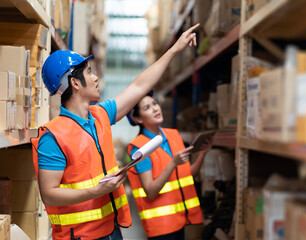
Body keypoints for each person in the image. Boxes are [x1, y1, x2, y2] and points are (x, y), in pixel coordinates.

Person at [31, 24, 200, 240]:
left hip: (111, 230)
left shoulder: (100, 115)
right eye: (89, 72)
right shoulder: (52, 137)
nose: (95, 78)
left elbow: (139, 87)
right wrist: (95, 191)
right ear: (75, 83)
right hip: (80, 237)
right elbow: (49, 194)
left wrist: (174, 50)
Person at [126, 91, 212, 239]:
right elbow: (150, 191)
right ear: (138, 118)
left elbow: (187, 176)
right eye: (147, 107)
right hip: (161, 227)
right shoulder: (140, 148)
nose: (155, 108)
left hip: (180, 220)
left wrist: (202, 154)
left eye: (154, 103)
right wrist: (173, 163)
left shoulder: (173, 135)